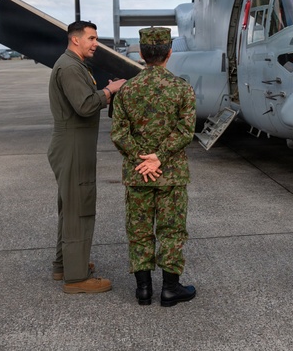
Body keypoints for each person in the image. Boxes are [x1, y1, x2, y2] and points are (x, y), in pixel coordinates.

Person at [110, 27, 198, 307]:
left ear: (141, 53)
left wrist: (142, 159)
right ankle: (170, 289)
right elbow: (186, 131)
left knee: (139, 230)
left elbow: (119, 133)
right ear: (169, 53)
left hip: (138, 175)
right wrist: (158, 157)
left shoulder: (127, 90)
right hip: (170, 174)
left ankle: (144, 290)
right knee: (172, 230)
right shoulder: (181, 88)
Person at [47, 20, 125, 294]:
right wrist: (109, 91)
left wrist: (102, 91)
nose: (95, 44)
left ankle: (64, 265)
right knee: (79, 208)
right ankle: (77, 278)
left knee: (69, 207)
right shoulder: (69, 67)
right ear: (75, 39)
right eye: (91, 38)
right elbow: (84, 105)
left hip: (73, 144)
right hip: (73, 146)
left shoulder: (74, 65)